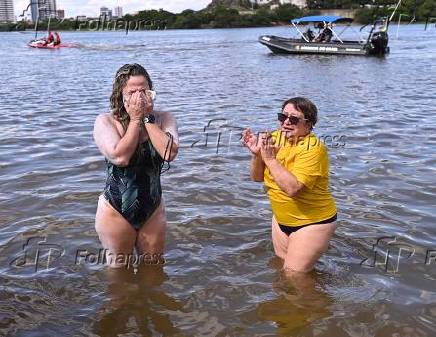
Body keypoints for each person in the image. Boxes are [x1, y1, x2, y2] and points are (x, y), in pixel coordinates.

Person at [93, 63, 179, 268]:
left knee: (154, 269)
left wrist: (147, 119)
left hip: (153, 208)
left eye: (144, 90)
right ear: (121, 95)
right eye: (132, 91)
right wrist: (135, 120)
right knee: (119, 276)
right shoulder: (106, 121)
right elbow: (120, 157)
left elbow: (169, 153)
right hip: (115, 210)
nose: (139, 96)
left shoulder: (164, 118)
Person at [242, 97, 337, 274]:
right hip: (281, 220)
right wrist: (257, 155)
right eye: (282, 116)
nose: (286, 122)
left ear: (308, 125)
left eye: (293, 119)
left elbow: (293, 189)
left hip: (312, 223)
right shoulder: (275, 138)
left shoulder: (313, 149)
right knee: (283, 270)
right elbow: (257, 178)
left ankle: (322, 301)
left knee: (293, 276)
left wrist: (269, 158)